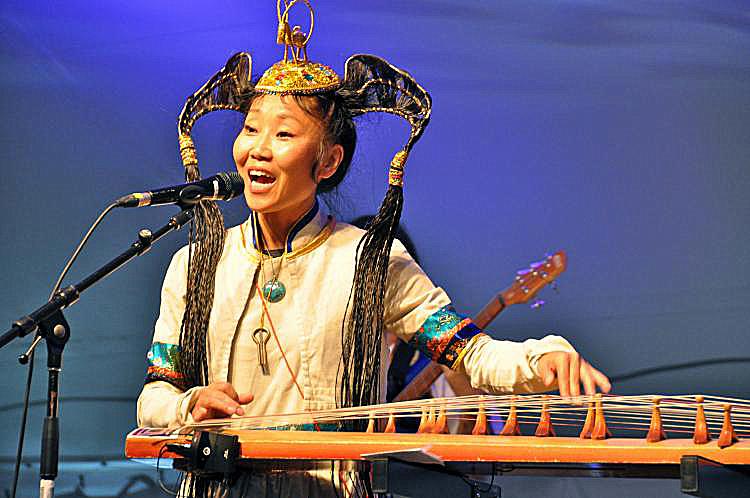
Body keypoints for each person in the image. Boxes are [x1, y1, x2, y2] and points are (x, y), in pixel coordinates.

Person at [136, 1, 610, 496]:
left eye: (283, 134)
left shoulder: (369, 262)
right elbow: (154, 397)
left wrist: (544, 360)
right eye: (251, 128)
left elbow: (472, 356)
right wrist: (188, 407)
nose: (257, 148)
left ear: (328, 161)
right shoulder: (196, 265)